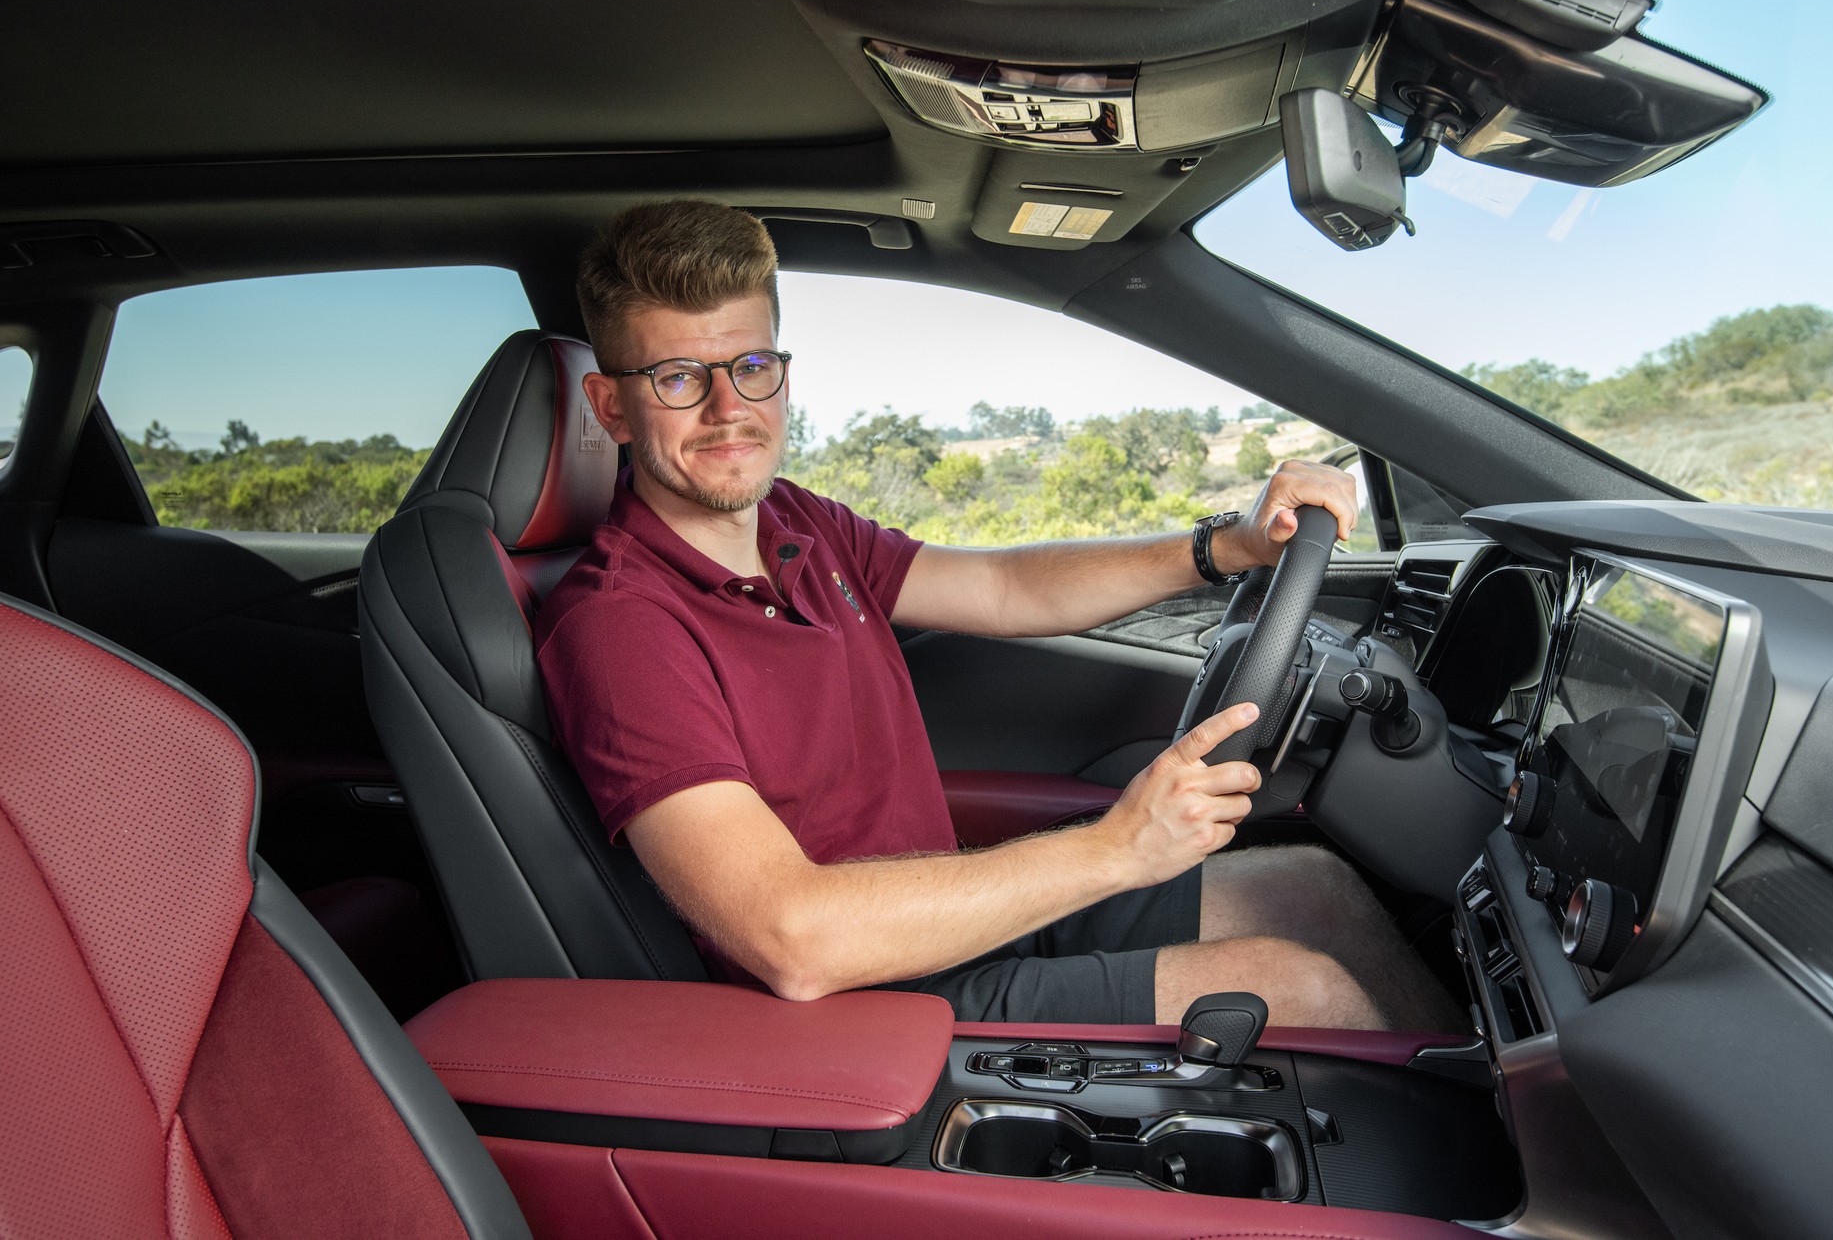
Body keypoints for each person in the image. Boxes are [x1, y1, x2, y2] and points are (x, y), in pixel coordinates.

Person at [536, 199, 1461, 1031]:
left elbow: (1006, 589)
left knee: (1317, 889)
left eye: (751, 366)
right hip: (868, 1013)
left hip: (949, 927)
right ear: (610, 405)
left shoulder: (797, 524)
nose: (730, 410)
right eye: (678, 379)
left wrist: (1222, 549)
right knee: (1297, 989)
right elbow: (794, 939)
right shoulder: (620, 628)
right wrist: (1113, 850)